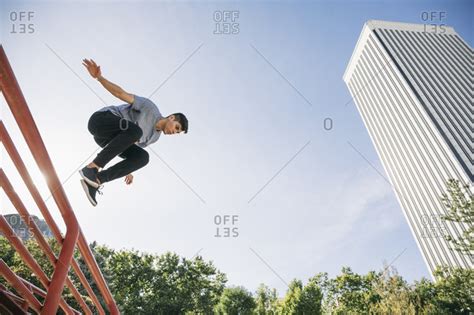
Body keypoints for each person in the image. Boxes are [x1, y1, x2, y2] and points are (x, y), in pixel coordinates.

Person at [79, 59, 188, 206]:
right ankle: (91, 168)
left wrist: (128, 169)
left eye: (177, 133)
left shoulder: (154, 137)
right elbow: (120, 93)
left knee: (143, 157)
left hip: (106, 140)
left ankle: (95, 181)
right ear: (172, 117)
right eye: (176, 128)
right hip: (100, 121)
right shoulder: (150, 108)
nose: (174, 132)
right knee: (136, 131)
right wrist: (99, 78)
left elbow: (128, 147)